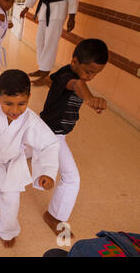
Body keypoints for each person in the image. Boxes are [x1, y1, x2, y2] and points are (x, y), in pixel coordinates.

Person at [0, 69, 59, 248]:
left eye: (21, 103)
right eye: (8, 103)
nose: (15, 110)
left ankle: (7, 231)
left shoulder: (30, 119)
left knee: (11, 200)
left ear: (29, 98)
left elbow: (49, 144)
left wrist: (48, 173)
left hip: (12, 164)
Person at [40, 39, 108, 237]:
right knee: (72, 178)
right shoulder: (69, 77)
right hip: (52, 135)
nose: (91, 77)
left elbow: (50, 80)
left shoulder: (63, 73)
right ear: (75, 61)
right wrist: (89, 99)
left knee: (13, 150)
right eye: (89, 71)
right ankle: (54, 216)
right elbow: (77, 84)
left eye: (96, 73)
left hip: (43, 128)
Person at [20, 0, 79, 86]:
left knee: (50, 42)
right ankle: (42, 68)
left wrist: (72, 16)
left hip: (58, 8)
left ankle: (45, 75)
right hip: (45, 7)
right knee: (40, 40)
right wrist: (26, 7)